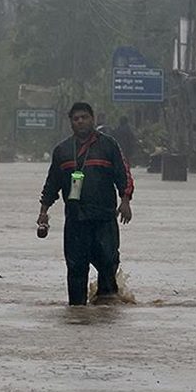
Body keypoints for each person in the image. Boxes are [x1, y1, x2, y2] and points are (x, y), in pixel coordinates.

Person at [37, 102, 134, 306]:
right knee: (76, 269)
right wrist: (43, 212)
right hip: (75, 221)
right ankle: (77, 312)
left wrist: (125, 200)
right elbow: (51, 184)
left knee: (108, 264)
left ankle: (106, 309)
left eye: (84, 117)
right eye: (76, 118)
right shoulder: (62, 151)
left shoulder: (109, 146)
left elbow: (123, 174)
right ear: (71, 122)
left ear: (93, 119)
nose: (80, 121)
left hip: (104, 219)